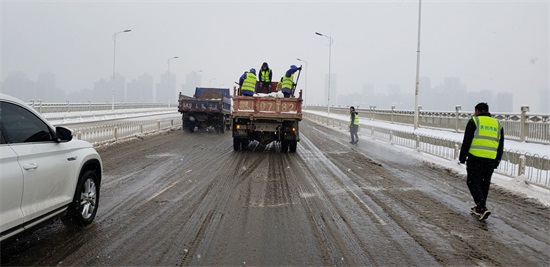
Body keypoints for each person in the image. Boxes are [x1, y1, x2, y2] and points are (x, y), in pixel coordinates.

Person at [459, 102, 504, 221]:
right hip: (490, 159)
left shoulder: (474, 121)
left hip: (475, 157)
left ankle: (481, 206)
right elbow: (500, 145)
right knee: (484, 183)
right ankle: (480, 208)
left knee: (472, 182)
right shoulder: (497, 124)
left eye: (475, 111)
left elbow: (467, 140)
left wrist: (462, 157)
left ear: (478, 111)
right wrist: (497, 161)